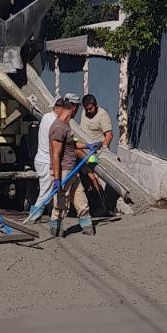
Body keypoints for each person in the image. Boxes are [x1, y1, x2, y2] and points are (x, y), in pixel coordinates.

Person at [47, 97, 95, 236]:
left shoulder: (66, 125)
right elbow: (56, 154)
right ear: (74, 108)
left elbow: (70, 145)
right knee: (61, 203)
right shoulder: (58, 127)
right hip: (63, 171)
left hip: (72, 170)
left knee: (81, 200)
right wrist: (57, 178)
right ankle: (56, 230)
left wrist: (88, 145)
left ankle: (87, 227)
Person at [73, 92, 115, 217]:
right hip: (84, 151)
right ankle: (93, 206)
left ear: (96, 105)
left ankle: (104, 207)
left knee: (96, 179)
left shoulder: (102, 115)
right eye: (86, 109)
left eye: (90, 109)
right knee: (87, 179)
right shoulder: (84, 113)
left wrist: (104, 148)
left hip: (96, 153)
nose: (88, 111)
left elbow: (109, 135)